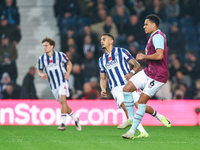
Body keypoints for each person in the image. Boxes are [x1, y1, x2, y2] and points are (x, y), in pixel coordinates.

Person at [98, 33, 171, 139]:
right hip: (116, 89)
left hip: (129, 84)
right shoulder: (101, 60)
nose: (101, 41)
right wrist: (103, 88)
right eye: (101, 39)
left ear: (111, 41)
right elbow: (103, 78)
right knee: (125, 106)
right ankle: (142, 132)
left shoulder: (121, 52)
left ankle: (159, 116)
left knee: (141, 106)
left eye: (104, 39)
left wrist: (131, 73)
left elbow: (137, 64)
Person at [121, 14, 171, 139]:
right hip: (148, 71)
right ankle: (131, 119)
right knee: (127, 89)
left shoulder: (158, 36)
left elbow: (159, 55)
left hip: (158, 75)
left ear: (154, 25)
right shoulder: (152, 37)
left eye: (146, 24)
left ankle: (132, 132)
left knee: (142, 100)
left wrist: (143, 56)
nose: (144, 27)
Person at [37, 37, 81, 131]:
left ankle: (63, 124)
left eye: (46, 45)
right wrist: (41, 75)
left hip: (62, 80)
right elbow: (39, 71)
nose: (44, 47)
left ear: (52, 46)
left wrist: (68, 74)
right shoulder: (41, 59)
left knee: (62, 99)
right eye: (43, 46)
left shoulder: (60, 55)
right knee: (63, 103)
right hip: (53, 84)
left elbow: (69, 64)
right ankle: (76, 119)